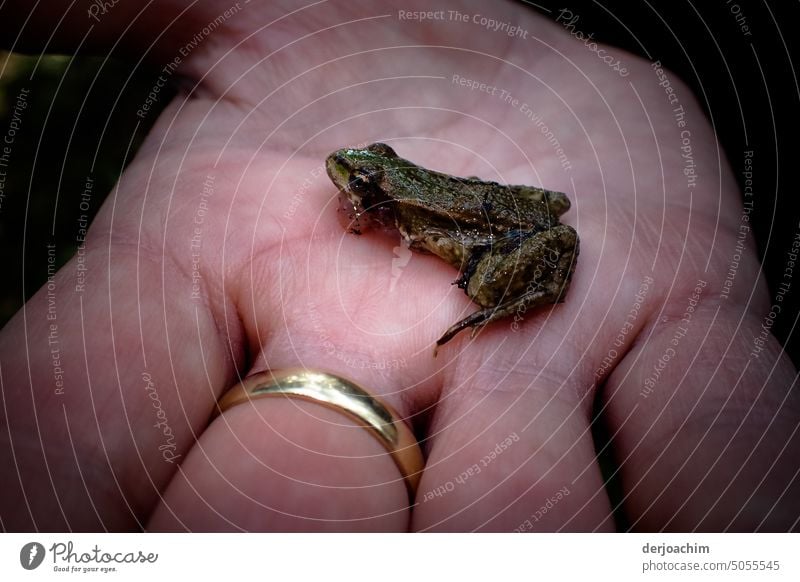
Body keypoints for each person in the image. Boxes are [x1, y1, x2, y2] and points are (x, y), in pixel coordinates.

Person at [1, 0, 797, 532]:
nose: (350, 175)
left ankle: (506, 300)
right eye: (367, 171)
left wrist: (486, 289)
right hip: (514, 203)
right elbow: (531, 201)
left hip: (495, 235)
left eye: (365, 181)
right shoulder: (373, 193)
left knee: (481, 281)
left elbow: (451, 224)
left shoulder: (392, 214)